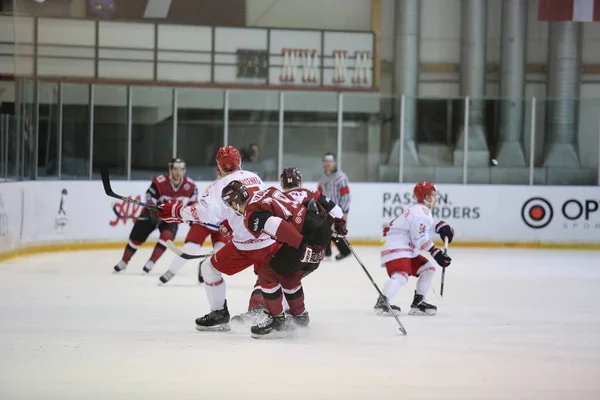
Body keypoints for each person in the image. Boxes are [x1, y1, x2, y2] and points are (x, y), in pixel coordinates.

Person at [157, 146, 271, 332]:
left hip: (244, 246)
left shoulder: (218, 186)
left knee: (208, 268)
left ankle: (219, 313)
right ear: (239, 161)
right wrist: (230, 222)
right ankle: (283, 313)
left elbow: (205, 214)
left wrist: (176, 211)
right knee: (271, 273)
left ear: (219, 166)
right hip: (269, 239)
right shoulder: (254, 177)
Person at [219, 180, 347, 338]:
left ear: (235, 202)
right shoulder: (266, 193)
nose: (231, 208)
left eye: (230, 203)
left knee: (267, 274)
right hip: (319, 227)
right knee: (290, 275)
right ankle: (300, 317)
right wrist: (331, 224)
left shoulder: (251, 215)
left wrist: (301, 245)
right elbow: (302, 206)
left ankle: (276, 321)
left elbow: (277, 225)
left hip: (305, 239)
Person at [376, 181, 454, 316]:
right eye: (433, 194)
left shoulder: (420, 211)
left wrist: (440, 227)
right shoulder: (421, 213)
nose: (435, 197)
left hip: (404, 247)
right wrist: (436, 253)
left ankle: (418, 302)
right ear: (426, 197)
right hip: (397, 246)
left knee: (428, 269)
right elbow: (419, 238)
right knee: (401, 275)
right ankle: (382, 303)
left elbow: (421, 230)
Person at [113, 158, 197, 274]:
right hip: (152, 214)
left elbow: (193, 203)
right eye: (175, 169)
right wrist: (153, 212)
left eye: (181, 169)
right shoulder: (160, 182)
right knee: (135, 239)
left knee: (167, 236)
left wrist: (192, 217)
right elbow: (149, 197)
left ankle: (151, 262)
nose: (178, 172)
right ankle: (124, 262)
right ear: (170, 169)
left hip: (171, 217)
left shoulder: (190, 186)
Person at [158, 167, 230, 285]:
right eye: (221, 173)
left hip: (221, 228)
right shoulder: (213, 189)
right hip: (203, 223)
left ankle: (204, 263)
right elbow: (203, 209)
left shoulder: (233, 187)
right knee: (190, 249)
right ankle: (171, 271)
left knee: (220, 253)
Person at [317, 152, 351, 261]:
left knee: (336, 231)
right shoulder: (323, 178)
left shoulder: (341, 178)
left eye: (330, 161)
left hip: (337, 209)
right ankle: (327, 253)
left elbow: (346, 195)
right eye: (326, 161)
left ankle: (345, 251)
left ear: (334, 162)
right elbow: (319, 193)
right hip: (325, 210)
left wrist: (344, 211)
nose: (328, 163)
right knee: (324, 230)